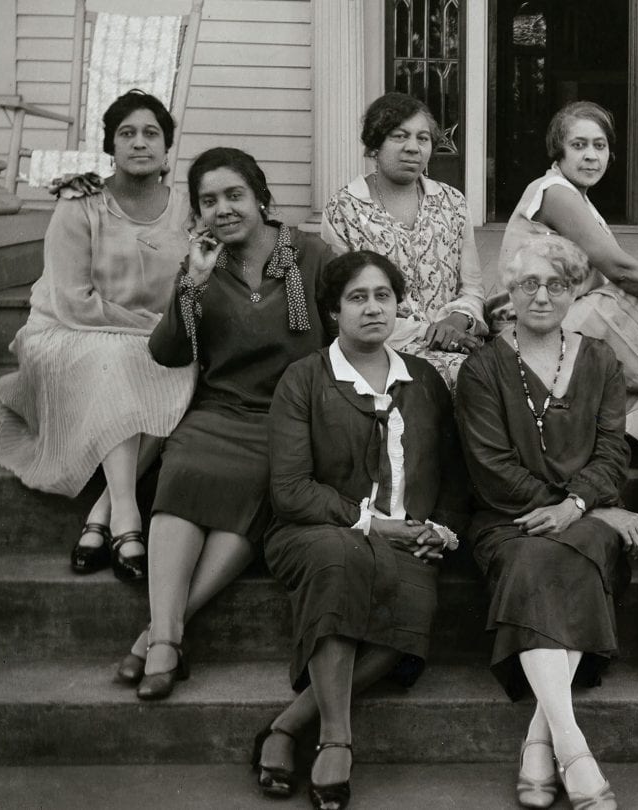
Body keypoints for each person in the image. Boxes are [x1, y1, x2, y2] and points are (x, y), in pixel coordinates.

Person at [113, 147, 333, 700]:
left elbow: (341, 332)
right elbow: (168, 353)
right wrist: (191, 282)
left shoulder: (313, 254)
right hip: (219, 411)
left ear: (260, 197)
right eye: (208, 200)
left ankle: (159, 633)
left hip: (290, 416)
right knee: (183, 470)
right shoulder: (202, 264)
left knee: (251, 499)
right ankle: (166, 637)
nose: (223, 209)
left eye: (234, 195)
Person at [255, 251, 469, 810]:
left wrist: (440, 529)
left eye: (383, 297)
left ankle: (284, 726)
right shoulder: (303, 380)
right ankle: (335, 739)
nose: (373, 308)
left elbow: (453, 475)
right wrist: (376, 525)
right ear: (332, 312)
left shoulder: (423, 380)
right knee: (341, 559)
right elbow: (291, 491)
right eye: (357, 298)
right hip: (316, 531)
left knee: (408, 618)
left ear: (399, 306)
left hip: (407, 542)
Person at [456, 234, 638, 810]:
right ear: (509, 293)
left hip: (582, 516)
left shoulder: (601, 359)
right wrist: (576, 506)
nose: (542, 296)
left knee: (570, 552)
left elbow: (615, 451)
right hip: (507, 519)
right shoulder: (482, 368)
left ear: (576, 290)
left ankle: (542, 743)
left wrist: (578, 505)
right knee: (539, 558)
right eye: (528, 283)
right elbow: (491, 468)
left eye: (557, 284)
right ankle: (574, 748)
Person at [0, 90, 196, 580]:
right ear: (111, 146)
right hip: (68, 330)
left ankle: (103, 513)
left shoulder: (186, 208)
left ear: (167, 147)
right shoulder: (80, 203)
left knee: (176, 371)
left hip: (150, 337)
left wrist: (163, 332)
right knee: (119, 361)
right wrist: (154, 331)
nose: (140, 143)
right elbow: (74, 301)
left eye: (151, 133)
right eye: (127, 133)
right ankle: (130, 517)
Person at [497, 100, 638, 443]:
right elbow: (620, 270)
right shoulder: (553, 192)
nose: (591, 155)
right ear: (557, 152)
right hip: (535, 321)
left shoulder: (580, 199)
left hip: (569, 316)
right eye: (578, 145)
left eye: (599, 145)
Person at [322, 93, 487, 389]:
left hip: (455, 342)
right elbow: (344, 303)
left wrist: (459, 319)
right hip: (381, 347)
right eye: (399, 136)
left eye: (423, 139)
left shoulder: (453, 202)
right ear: (375, 144)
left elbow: (472, 287)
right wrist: (428, 333)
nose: (413, 148)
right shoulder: (345, 208)